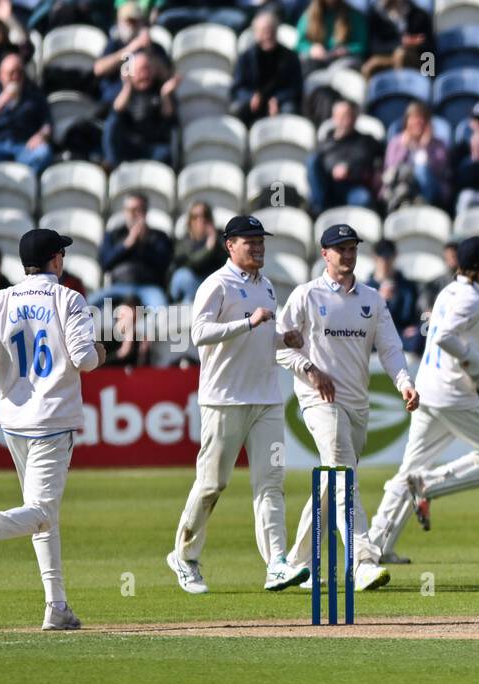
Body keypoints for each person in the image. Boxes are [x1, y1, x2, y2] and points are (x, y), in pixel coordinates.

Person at [0, 228, 107, 630]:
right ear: (56, 259)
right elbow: (84, 359)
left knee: (43, 513)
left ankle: (56, 607)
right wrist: (102, 352)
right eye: (63, 255)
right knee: (40, 512)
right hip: (53, 419)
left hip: (14, 420)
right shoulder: (68, 298)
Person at [167, 215, 309, 595]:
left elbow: (264, 335)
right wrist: (248, 322)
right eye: (250, 241)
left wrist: (285, 338)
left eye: (261, 240)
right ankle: (184, 555)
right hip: (223, 400)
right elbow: (199, 334)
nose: (259, 246)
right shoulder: (216, 284)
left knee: (271, 484)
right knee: (213, 483)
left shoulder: (267, 287)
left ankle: (277, 564)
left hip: (267, 400)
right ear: (230, 246)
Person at [277, 223, 420, 590]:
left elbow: (389, 348)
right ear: (324, 254)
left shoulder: (372, 299)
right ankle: (363, 561)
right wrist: (309, 369)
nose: (348, 254)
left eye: (353, 247)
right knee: (344, 474)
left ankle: (300, 563)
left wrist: (404, 383)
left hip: (357, 403)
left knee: (332, 480)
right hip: (318, 399)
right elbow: (280, 346)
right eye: (340, 248)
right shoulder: (306, 295)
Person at [366, 236, 479, 560]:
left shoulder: (450, 292)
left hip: (428, 388)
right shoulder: (471, 299)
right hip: (452, 394)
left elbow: (454, 332)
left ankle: (376, 547)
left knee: (408, 469)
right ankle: (429, 484)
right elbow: (445, 337)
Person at [0, 53, 53, 173]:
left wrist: (41, 135)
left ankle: (24, 184)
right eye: (11, 73)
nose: (15, 77)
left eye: (19, 73)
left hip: (25, 146)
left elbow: (47, 124)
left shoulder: (34, 96)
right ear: (1, 76)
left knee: (43, 154)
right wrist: (3, 100)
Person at [93, 193, 171, 310]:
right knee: (90, 304)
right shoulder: (113, 234)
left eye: (138, 210)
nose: (133, 214)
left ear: (145, 212)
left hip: (149, 287)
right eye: (130, 210)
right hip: (119, 286)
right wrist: (126, 245)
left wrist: (143, 244)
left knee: (161, 310)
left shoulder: (159, 236)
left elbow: (164, 265)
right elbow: (104, 263)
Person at [102, 51, 179, 169]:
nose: (144, 74)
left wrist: (165, 96)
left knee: (165, 153)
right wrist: (127, 85)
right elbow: (117, 110)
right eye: (141, 70)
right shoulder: (123, 91)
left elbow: (169, 117)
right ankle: (111, 165)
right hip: (129, 145)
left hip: (152, 146)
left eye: (147, 69)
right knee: (112, 122)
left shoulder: (159, 90)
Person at [307, 99, 382, 213]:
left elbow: (369, 159)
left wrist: (349, 169)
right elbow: (317, 166)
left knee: (364, 200)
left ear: (355, 117)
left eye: (347, 115)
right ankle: (319, 212)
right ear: (334, 117)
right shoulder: (326, 141)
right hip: (328, 186)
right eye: (339, 116)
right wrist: (333, 169)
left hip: (353, 186)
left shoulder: (366, 140)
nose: (343, 120)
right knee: (312, 160)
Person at [231, 9, 303, 124]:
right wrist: (251, 97)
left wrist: (278, 99)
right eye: (264, 31)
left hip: (280, 100)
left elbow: (295, 87)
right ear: (256, 33)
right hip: (254, 101)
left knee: (289, 109)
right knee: (237, 109)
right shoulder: (245, 57)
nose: (268, 36)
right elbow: (237, 88)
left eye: (271, 31)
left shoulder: (290, 57)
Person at [92, 2, 169, 105]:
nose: (131, 25)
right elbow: (99, 69)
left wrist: (149, 53)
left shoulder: (154, 47)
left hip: (148, 102)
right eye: (127, 21)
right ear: (118, 22)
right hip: (114, 101)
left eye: (135, 21)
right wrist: (130, 49)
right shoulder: (114, 44)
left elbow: (168, 76)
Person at [382, 101, 450, 211]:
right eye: (413, 119)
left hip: (431, 189)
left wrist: (424, 147)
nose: (417, 123)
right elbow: (391, 169)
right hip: (402, 187)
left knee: (421, 168)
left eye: (421, 120)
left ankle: (424, 207)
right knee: (403, 174)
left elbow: (441, 171)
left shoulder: (438, 144)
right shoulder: (396, 143)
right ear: (406, 121)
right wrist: (404, 147)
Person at [364, 238, 420, 346]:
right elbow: (361, 322)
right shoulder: (365, 288)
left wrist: (416, 327)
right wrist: (379, 300)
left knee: (420, 338)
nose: (384, 261)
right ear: (374, 257)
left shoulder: (409, 287)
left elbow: (416, 315)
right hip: (374, 337)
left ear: (395, 256)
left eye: (388, 256)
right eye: (381, 256)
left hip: (402, 335)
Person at [170, 201, 227, 304]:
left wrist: (216, 242)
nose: (201, 220)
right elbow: (195, 263)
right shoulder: (184, 241)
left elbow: (227, 261)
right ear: (190, 221)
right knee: (182, 275)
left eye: (205, 215)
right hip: (193, 285)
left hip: (215, 286)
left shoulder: (220, 237)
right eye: (195, 216)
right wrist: (209, 246)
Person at [361, 0, 433, 80]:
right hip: (388, 57)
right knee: (370, 66)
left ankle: (401, 90)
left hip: (415, 59)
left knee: (401, 55)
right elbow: (374, 47)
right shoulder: (375, 16)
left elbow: (429, 50)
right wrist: (400, 43)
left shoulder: (419, 15)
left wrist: (415, 45)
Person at [296, 0, 369, 74]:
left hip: (342, 62)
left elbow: (361, 46)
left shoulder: (353, 15)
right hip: (316, 62)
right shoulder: (309, 16)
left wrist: (346, 50)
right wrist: (311, 49)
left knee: (342, 68)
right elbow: (300, 43)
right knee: (307, 64)